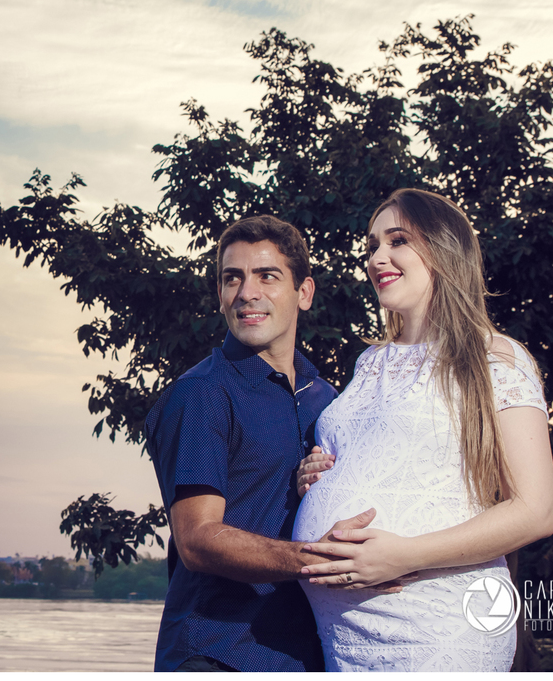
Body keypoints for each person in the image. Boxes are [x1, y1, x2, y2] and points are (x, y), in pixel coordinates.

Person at [291, 188, 553, 671]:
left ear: (442, 249)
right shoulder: (369, 361)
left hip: (436, 630)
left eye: (397, 241)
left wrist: (405, 555)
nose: (377, 258)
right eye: (371, 245)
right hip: (345, 644)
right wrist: (315, 476)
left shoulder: (494, 355)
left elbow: (536, 511)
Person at [144, 214, 391, 672]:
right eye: (231, 278)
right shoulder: (202, 393)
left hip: (311, 652)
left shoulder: (329, 398)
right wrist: (326, 561)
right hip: (217, 652)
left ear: (304, 292)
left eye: (267, 276)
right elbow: (197, 539)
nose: (246, 293)